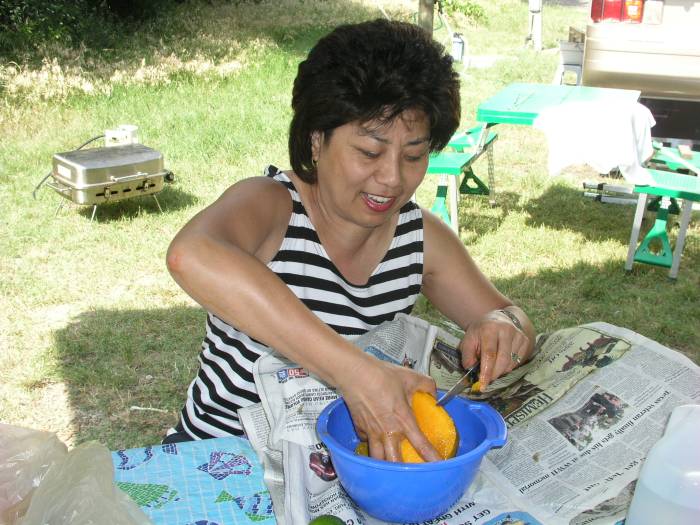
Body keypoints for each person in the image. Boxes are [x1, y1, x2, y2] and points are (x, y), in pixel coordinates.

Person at [164, 18, 536, 462]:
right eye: (369, 152)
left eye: (414, 155)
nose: (393, 178)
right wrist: (355, 373)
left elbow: (511, 317)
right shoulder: (271, 207)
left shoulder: (419, 237)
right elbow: (191, 255)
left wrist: (503, 327)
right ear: (317, 140)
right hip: (219, 458)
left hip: (334, 469)